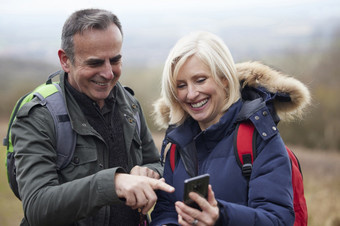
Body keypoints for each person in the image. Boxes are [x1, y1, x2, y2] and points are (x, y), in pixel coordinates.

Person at [11, 8, 174, 226]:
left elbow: (156, 162)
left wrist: (149, 172)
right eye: (95, 63)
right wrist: (113, 183)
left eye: (115, 60)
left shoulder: (129, 105)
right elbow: (37, 207)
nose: (108, 73)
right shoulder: (39, 117)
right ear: (65, 60)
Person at [150, 31, 311, 225]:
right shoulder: (177, 144)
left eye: (200, 80)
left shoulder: (258, 137)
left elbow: (278, 219)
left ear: (224, 79)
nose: (191, 94)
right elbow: (165, 210)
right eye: (181, 85)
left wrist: (221, 217)